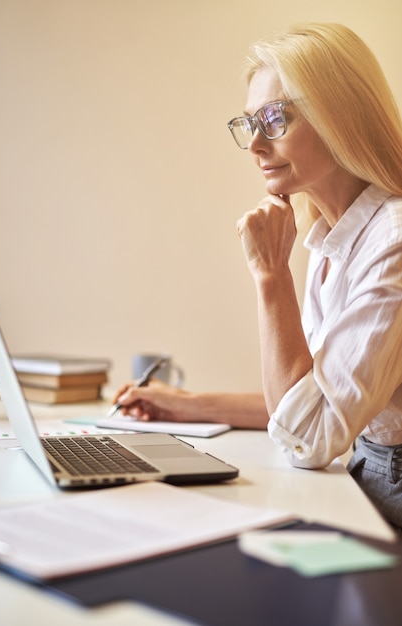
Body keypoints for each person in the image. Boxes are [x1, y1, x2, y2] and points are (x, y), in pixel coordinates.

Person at [114, 23, 402, 529]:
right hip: (367, 471)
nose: (254, 145)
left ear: (340, 115)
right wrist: (186, 406)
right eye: (250, 123)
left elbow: (310, 438)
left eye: (274, 119)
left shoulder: (393, 242)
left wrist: (270, 276)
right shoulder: (332, 240)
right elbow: (309, 401)